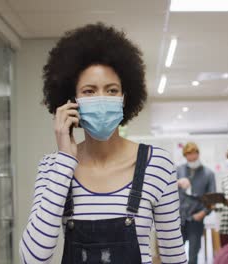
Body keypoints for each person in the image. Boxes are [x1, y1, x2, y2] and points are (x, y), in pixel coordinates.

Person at [19, 23, 186, 264]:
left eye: (111, 90)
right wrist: (65, 160)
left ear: (125, 97)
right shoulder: (51, 168)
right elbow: (33, 259)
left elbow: (174, 257)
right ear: (71, 101)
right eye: (89, 91)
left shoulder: (157, 164)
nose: (102, 99)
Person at [176, 142, 216, 264]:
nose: (192, 157)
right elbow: (167, 189)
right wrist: (177, 182)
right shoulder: (179, 170)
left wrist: (203, 213)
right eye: (188, 154)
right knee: (176, 254)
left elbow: (212, 199)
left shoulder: (208, 173)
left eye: (194, 154)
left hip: (196, 219)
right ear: (185, 156)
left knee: (193, 255)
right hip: (179, 219)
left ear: (198, 154)